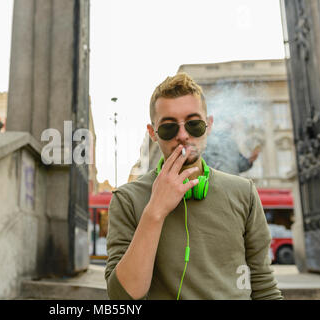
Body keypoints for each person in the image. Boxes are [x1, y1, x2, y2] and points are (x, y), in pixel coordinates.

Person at [105, 72, 282, 300]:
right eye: (168, 127)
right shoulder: (127, 199)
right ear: (153, 134)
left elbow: (264, 287)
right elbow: (122, 298)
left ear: (208, 126)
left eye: (194, 124)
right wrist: (154, 211)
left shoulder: (244, 192)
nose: (182, 135)